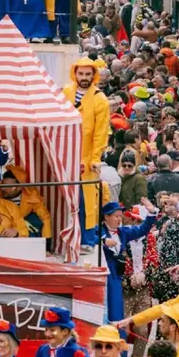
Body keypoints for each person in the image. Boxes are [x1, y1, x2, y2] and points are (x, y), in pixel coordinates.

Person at [61, 59, 110, 246]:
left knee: (86, 201)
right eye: (81, 74)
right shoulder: (65, 92)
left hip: (87, 158)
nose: (84, 78)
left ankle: (87, 240)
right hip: (66, 155)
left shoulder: (100, 100)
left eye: (88, 74)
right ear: (75, 73)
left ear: (94, 75)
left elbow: (101, 133)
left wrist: (95, 158)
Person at [101, 199, 157, 321]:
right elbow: (88, 241)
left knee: (116, 311)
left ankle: (116, 334)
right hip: (104, 272)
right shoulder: (99, 230)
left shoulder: (123, 232)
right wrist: (103, 241)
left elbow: (142, 230)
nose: (119, 219)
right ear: (106, 216)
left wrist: (151, 212)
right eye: (116, 216)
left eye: (120, 216)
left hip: (116, 275)